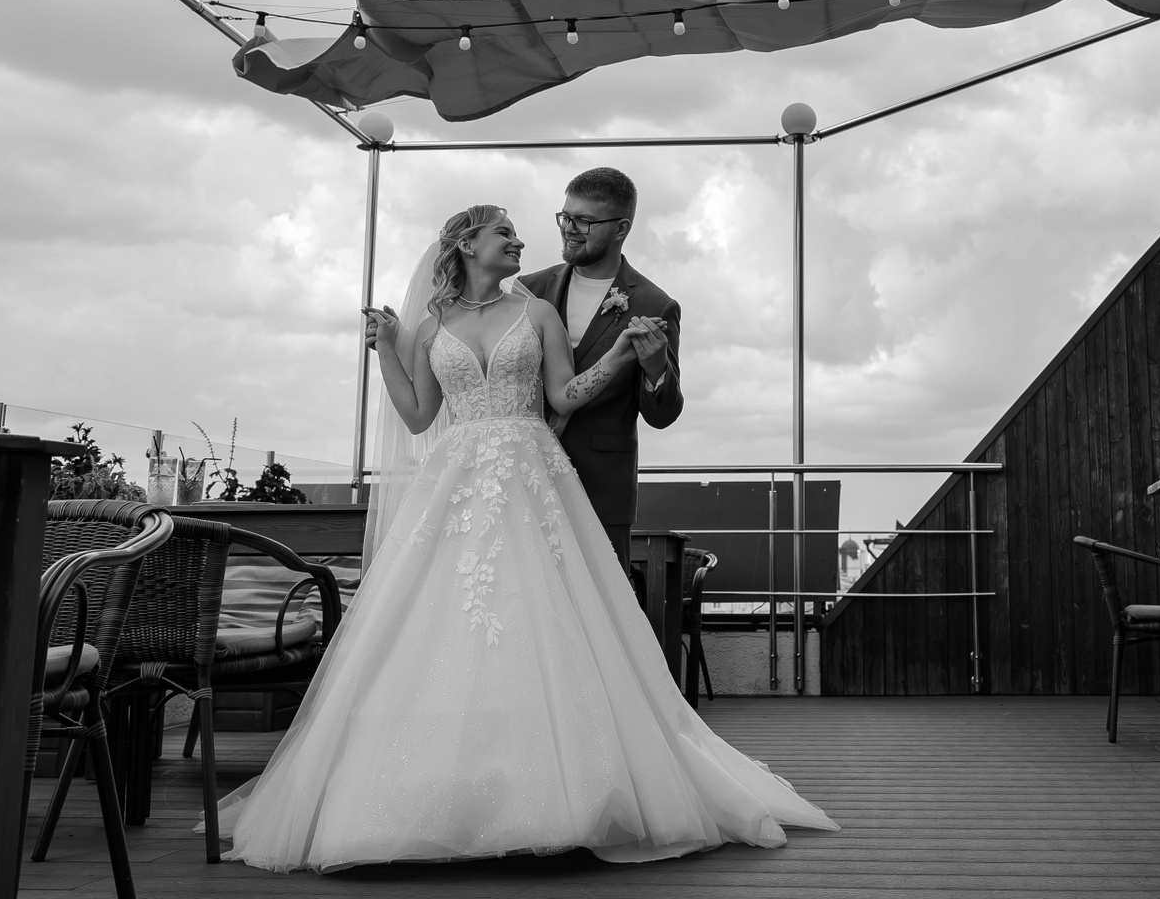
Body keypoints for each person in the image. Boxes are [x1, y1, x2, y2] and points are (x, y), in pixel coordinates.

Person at [213, 204, 836, 873]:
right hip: (455, 487)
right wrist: (386, 347)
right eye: (504, 233)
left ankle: (560, 794)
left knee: (542, 617)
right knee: (441, 627)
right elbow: (418, 415)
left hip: (531, 480)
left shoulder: (536, 312)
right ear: (466, 244)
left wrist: (622, 354)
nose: (520, 241)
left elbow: (564, 398)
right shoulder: (432, 325)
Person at [517, 168, 681, 570]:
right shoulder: (526, 290)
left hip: (601, 487)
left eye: (584, 221)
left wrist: (655, 369)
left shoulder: (655, 304)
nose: (569, 229)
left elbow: (662, 416)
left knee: (603, 602)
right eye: (565, 217)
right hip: (521, 478)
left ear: (621, 228)